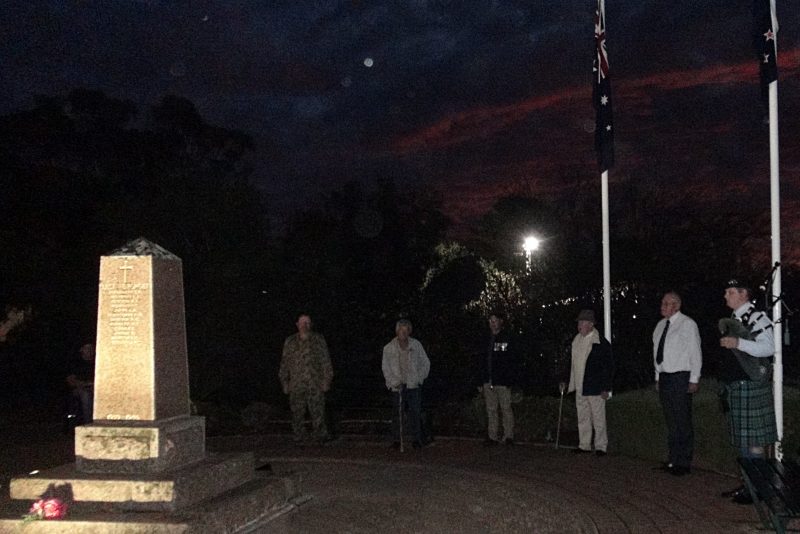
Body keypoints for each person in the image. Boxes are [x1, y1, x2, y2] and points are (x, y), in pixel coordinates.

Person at [718, 278, 777, 504]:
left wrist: (738, 344)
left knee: (752, 442)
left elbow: (769, 346)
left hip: (751, 387)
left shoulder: (757, 317)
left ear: (743, 294)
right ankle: (748, 485)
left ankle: (758, 488)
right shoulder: (735, 319)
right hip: (738, 387)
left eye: (730, 291)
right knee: (743, 442)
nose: (726, 295)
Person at [652, 291, 702, 476]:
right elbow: (657, 353)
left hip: (681, 376)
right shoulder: (659, 326)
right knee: (671, 421)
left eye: (667, 303)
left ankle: (684, 462)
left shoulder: (687, 324)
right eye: (662, 302)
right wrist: (657, 376)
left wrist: (694, 378)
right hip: (665, 377)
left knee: (682, 420)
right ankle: (673, 459)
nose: (663, 305)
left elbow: (695, 352)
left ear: (677, 306)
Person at [563, 309, 613, 456]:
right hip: (579, 385)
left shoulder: (601, 343)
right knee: (583, 417)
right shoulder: (576, 340)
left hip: (595, 387)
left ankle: (601, 446)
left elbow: (608, 367)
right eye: (579, 322)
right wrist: (566, 380)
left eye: (583, 322)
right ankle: (584, 444)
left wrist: (606, 388)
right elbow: (571, 363)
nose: (579, 325)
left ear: (591, 324)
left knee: (598, 417)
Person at [279, 314, 334, 444]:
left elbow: (325, 361)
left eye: (308, 323)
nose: (305, 325)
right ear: (297, 324)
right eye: (302, 323)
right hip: (296, 383)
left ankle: (320, 436)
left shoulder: (318, 339)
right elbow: (284, 362)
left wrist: (327, 380)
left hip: (315, 383)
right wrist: (284, 382)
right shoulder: (290, 341)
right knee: (297, 412)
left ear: (311, 325)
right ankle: (299, 436)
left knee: (318, 411)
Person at [382, 319, 431, 449]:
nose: (403, 333)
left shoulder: (416, 346)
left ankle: (417, 439)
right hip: (397, 384)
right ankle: (397, 440)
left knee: (415, 411)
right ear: (396, 331)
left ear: (409, 332)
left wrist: (419, 379)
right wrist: (392, 382)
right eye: (400, 330)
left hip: (412, 384)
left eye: (406, 330)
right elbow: (385, 368)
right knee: (397, 414)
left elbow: (425, 363)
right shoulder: (388, 348)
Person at [479, 312, 517, 446]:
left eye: (494, 321)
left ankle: (508, 436)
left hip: (502, 380)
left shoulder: (506, 338)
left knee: (506, 408)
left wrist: (509, 379)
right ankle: (492, 436)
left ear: (500, 322)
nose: (492, 323)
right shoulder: (485, 339)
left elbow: (510, 360)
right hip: (488, 380)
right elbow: (481, 360)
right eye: (490, 321)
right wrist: (481, 379)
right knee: (491, 409)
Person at [66, 343, 95, 425]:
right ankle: (88, 422)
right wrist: (86, 384)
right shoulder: (75, 363)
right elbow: (71, 381)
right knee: (86, 395)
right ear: (81, 350)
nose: (89, 351)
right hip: (79, 389)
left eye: (91, 348)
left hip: (95, 388)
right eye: (87, 348)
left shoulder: (97, 362)